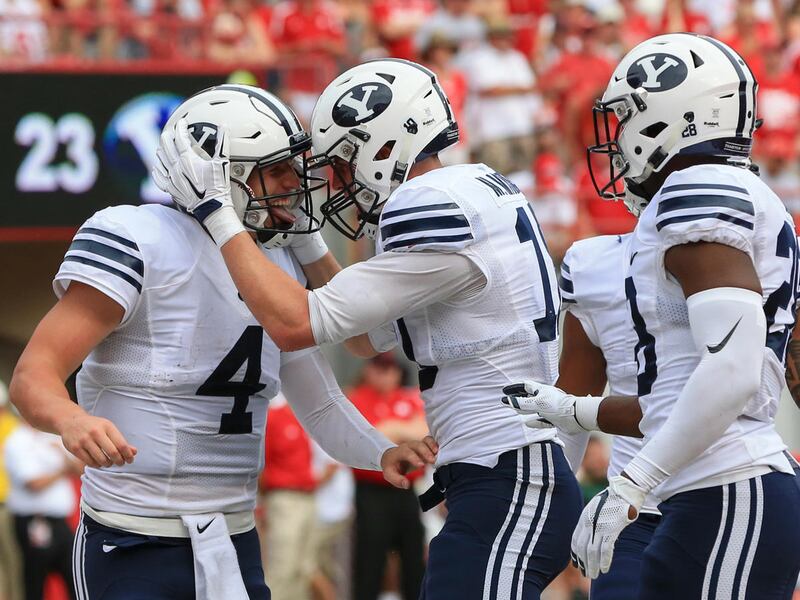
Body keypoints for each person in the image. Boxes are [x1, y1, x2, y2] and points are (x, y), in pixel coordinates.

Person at [157, 58, 583, 600]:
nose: (334, 180)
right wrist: (306, 240)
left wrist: (218, 213)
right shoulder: (473, 190)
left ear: (381, 148)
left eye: (340, 161)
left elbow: (295, 324)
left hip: (511, 472)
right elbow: (360, 334)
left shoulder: (429, 205)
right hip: (504, 472)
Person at [9, 84, 436, 600]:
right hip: (131, 538)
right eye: (275, 169)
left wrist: (379, 450)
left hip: (233, 541)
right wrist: (71, 419)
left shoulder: (273, 264)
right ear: (215, 171)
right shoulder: (140, 237)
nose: (294, 184)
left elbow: (319, 401)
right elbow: (34, 376)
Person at [503, 33, 800, 598]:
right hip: (705, 487)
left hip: (729, 483)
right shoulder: (727, 196)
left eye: (626, 118)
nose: (617, 139)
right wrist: (572, 411)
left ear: (672, 116)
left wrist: (634, 481)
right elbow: (673, 400)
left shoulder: (698, 188)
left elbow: (733, 369)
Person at [514, 232, 663, 600]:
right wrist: (536, 500)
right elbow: (574, 399)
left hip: (732, 492)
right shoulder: (595, 266)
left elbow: (720, 390)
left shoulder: (754, 233)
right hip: (633, 514)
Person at [348, 352, 428, 600]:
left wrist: (391, 429)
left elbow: (424, 432)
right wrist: (401, 432)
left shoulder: (408, 397)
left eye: (390, 368)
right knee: (370, 560)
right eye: (378, 368)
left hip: (405, 490)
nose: (384, 374)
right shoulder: (356, 398)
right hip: (371, 490)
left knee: (414, 559)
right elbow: (361, 439)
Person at [5, 419, 81, 600]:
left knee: (74, 576)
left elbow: (79, 469)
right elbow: (34, 483)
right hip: (34, 521)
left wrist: (63, 461)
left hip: (60, 522)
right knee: (35, 579)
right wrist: (62, 470)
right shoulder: (18, 441)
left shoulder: (52, 437)